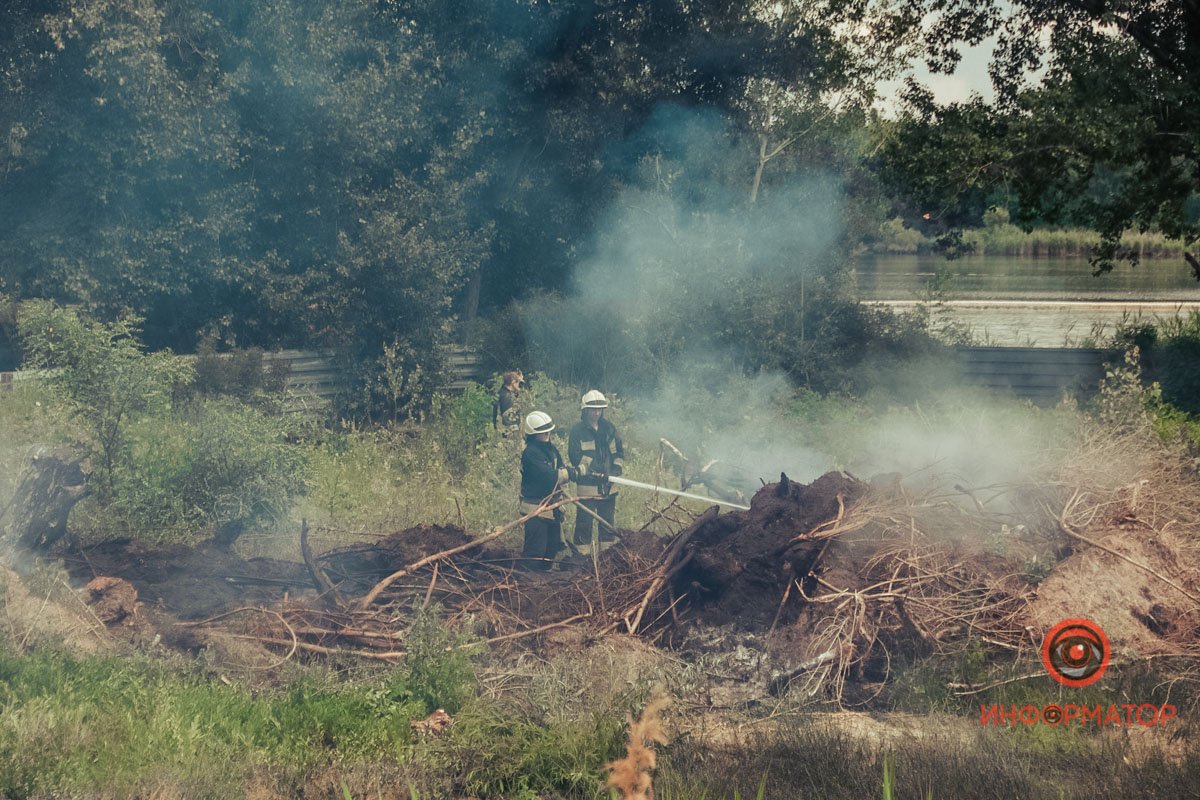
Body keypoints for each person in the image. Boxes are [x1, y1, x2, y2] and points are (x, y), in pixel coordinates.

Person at [518, 411, 577, 570]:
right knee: (536, 551)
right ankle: (528, 581)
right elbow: (549, 476)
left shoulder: (549, 449)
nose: (546, 434)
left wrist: (569, 471)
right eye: (542, 431)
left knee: (551, 548)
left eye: (548, 430)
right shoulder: (530, 453)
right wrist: (570, 474)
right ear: (533, 434)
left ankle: (543, 577)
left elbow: (559, 467)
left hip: (551, 507)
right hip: (536, 509)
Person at [568, 390, 624, 551]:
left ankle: (605, 561)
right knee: (584, 525)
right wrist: (594, 470)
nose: (596, 413)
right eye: (593, 410)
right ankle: (581, 560)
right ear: (584, 410)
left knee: (607, 525)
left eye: (599, 410)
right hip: (587, 487)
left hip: (608, 487)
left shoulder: (609, 428)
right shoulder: (577, 431)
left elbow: (618, 453)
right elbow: (575, 457)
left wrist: (614, 471)